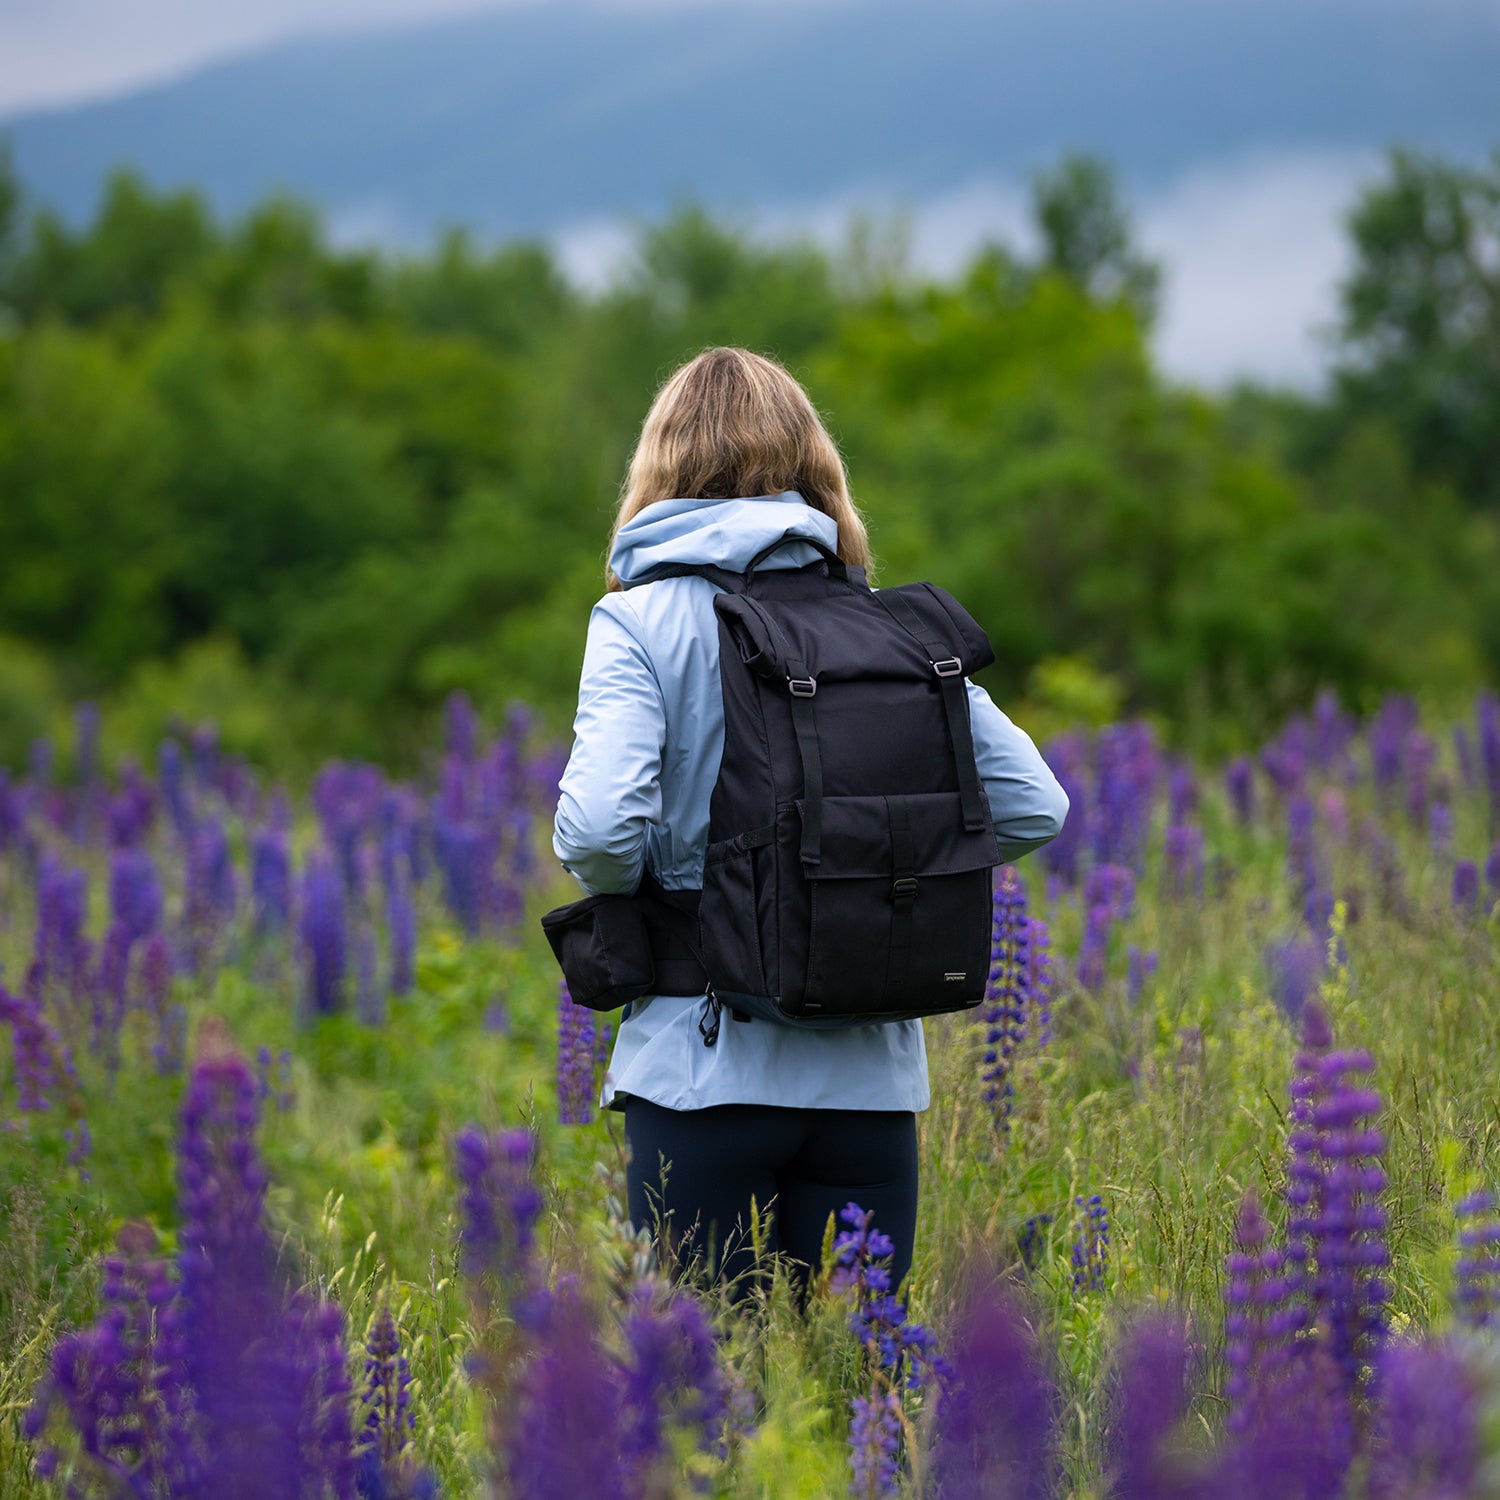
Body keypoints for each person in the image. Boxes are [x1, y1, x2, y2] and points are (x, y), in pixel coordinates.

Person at [553, 346, 1068, 1297]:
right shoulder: (889, 628)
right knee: (855, 1370)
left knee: (710, 1377)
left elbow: (596, 831)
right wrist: (885, 872)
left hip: (699, 1067)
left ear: (659, 467)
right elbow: (1036, 803)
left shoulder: (639, 622)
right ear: (812, 464)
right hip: (869, 1084)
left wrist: (671, 899)